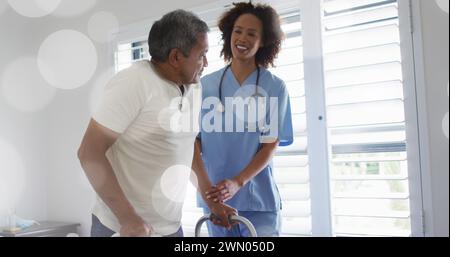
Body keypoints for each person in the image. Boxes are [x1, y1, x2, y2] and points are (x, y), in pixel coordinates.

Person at [77, 9, 235, 237]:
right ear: (175, 57)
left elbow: (187, 145)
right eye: (201, 55)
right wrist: (128, 219)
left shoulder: (194, 86)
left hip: (170, 227)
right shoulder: (133, 83)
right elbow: (88, 152)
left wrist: (211, 201)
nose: (206, 62)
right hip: (121, 226)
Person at [195, 2, 294, 237]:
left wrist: (238, 182)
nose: (242, 38)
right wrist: (207, 188)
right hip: (215, 201)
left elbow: (270, 145)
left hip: (258, 200)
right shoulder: (204, 86)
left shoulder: (274, 87)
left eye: (252, 33)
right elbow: (192, 142)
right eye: (238, 31)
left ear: (263, 41)